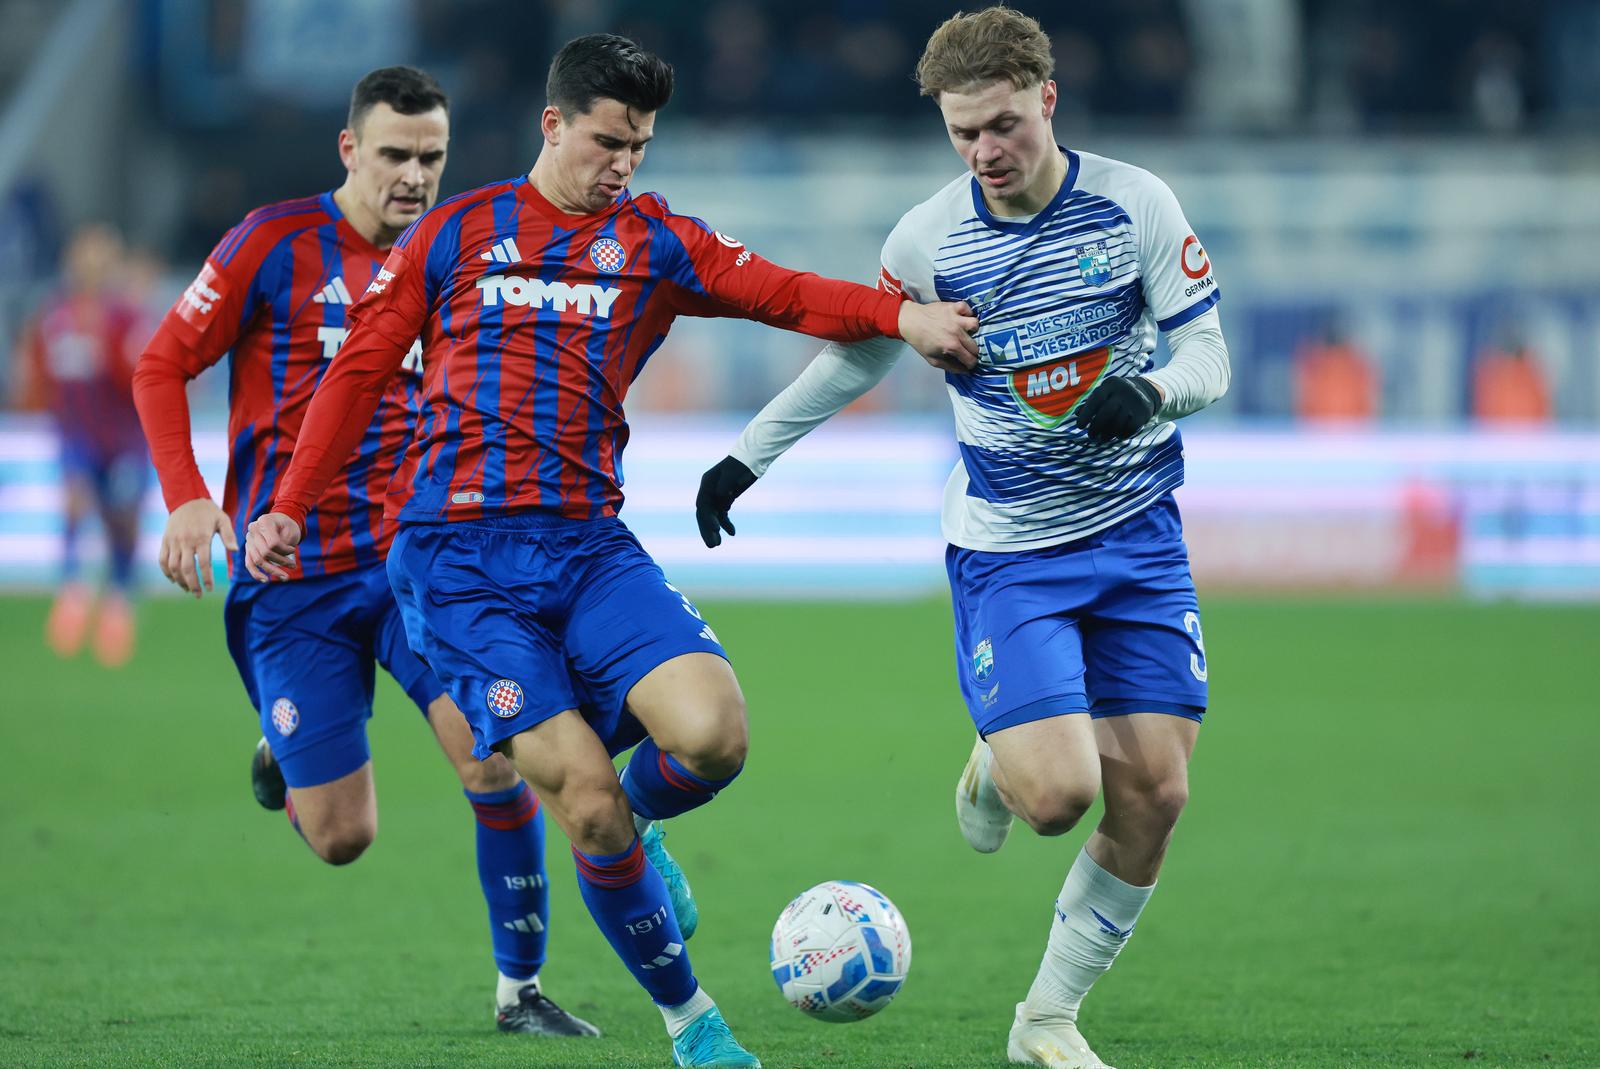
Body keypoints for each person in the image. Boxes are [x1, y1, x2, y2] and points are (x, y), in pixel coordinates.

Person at [242, 33, 978, 1069]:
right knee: (578, 800)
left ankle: (639, 822)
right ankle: (692, 1021)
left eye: (638, 144)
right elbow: (360, 368)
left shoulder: (654, 240)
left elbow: (782, 292)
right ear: (553, 125)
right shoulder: (458, 231)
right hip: (457, 564)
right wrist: (286, 504)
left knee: (714, 731)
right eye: (606, 141)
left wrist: (900, 315)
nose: (623, 162)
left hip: (588, 547)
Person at [694, 9, 1229, 1068]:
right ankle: (998, 753)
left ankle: (1045, 1020)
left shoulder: (1134, 208)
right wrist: (747, 456)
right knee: (1056, 798)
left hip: (1137, 540)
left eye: (1000, 126)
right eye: (961, 134)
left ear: (1047, 100)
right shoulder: (930, 240)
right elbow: (860, 353)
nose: (985, 152)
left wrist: (1155, 392)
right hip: (1010, 549)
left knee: (1157, 794)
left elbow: (1207, 351)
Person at [131, 66, 595, 1038]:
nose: (414, 176)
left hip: (415, 566)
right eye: (394, 155)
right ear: (350, 149)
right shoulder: (273, 243)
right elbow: (162, 361)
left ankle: (521, 992)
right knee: (343, 837)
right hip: (289, 574)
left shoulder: (466, 253)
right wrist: (185, 497)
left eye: (431, 157)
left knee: (494, 755)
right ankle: (283, 750)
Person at [18, 224, 148, 667]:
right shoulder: (56, 316)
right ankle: (72, 590)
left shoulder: (127, 319)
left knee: (122, 524)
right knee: (74, 502)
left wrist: (106, 345)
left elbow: (139, 377)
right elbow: (40, 371)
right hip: (76, 435)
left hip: (125, 438)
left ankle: (118, 603)